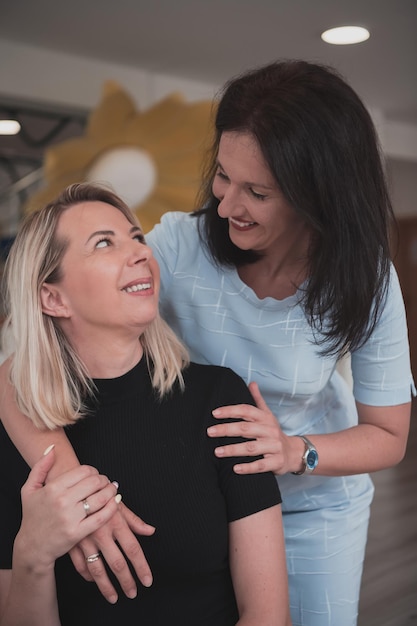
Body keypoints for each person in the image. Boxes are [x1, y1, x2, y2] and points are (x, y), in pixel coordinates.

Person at [0, 59, 414, 626]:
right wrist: (80, 495)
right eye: (222, 176)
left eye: (257, 192)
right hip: (208, 487)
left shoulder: (367, 277)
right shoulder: (179, 247)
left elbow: (389, 436)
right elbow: (17, 370)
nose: (225, 205)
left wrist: (295, 451)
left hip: (315, 500)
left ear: (317, 196)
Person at [0, 183, 290, 626]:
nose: (141, 252)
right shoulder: (15, 432)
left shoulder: (219, 400)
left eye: (136, 237)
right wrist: (32, 557)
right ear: (52, 298)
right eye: (104, 243)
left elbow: (268, 616)